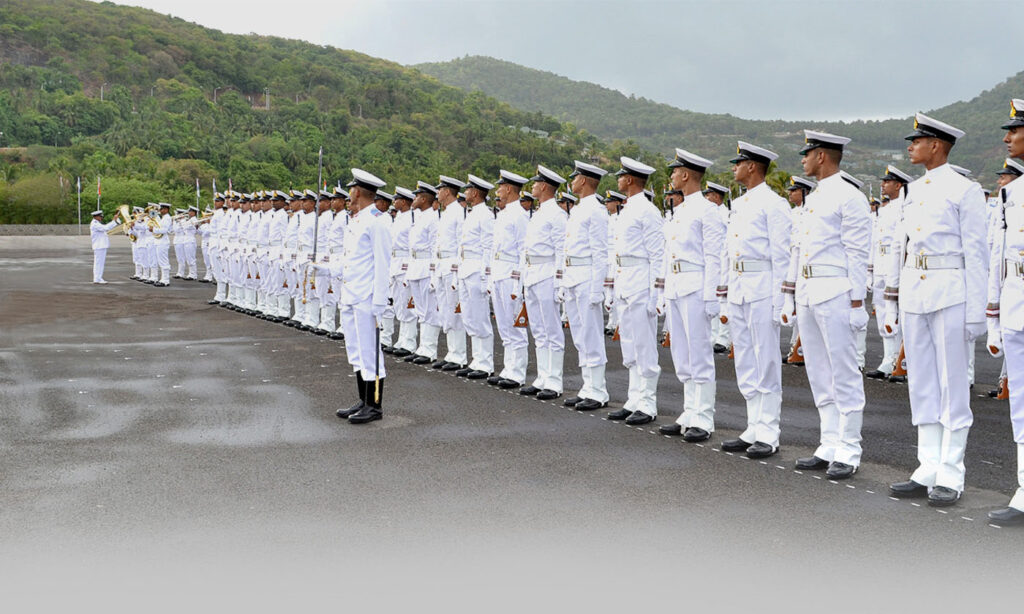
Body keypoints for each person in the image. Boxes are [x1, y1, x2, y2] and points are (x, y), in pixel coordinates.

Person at [884, 113, 987, 506]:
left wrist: (977, 312)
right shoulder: (913, 191)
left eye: (918, 140)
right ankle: (927, 465)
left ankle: (951, 472)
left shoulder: (965, 190)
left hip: (950, 290)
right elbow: (904, 248)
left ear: (937, 145)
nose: (911, 146)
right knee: (922, 380)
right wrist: (894, 298)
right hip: (916, 290)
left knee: (952, 384)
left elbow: (976, 254)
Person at [780, 130, 872, 479]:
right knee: (818, 371)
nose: (803, 158)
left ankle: (849, 448)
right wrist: (791, 295)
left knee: (844, 371)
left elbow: (857, 253)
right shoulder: (814, 198)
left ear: (822, 156)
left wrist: (856, 302)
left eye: (808, 153)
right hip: (808, 289)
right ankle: (829, 441)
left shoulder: (849, 197)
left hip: (835, 290)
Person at [719, 142, 791, 459]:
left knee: (766, 359)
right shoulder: (741, 204)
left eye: (739, 162)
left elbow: (782, 255)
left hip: (763, 286)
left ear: (752, 166)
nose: (734, 167)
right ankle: (752, 426)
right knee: (746, 358)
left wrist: (780, 300)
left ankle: (769, 431)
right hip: (739, 286)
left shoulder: (773, 205)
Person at [656, 149, 725, 440]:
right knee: (681, 353)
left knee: (699, 353)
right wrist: (662, 290)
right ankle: (689, 410)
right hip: (675, 284)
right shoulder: (680, 210)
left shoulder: (707, 210)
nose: (671, 175)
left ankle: (704, 417)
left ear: (686, 175)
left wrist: (711, 297)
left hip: (696, 285)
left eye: (674, 171)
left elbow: (714, 257)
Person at [985, 98, 1024, 525]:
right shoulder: (1012, 192)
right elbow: (999, 255)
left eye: (1015, 130)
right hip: (1016, 301)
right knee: (1022, 405)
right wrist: (994, 314)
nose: (1007, 137)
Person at [606, 156, 664, 425]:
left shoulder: (647, 211)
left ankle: (648, 403)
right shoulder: (627, 209)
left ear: (629, 180)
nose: (618, 179)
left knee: (644, 344)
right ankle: (633, 399)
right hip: (625, 280)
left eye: (621, 175)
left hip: (641, 280)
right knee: (629, 343)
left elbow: (657, 255)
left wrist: (655, 294)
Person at [333, 168, 392, 424]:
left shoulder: (377, 220)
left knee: (370, 351)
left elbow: (382, 263)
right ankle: (363, 399)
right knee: (356, 349)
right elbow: (352, 261)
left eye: (350, 190)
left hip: (367, 297)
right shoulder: (357, 220)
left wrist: (380, 300)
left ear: (357, 192)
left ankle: (375, 405)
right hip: (351, 294)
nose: (349, 194)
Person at [560, 161, 611, 410]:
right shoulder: (579, 209)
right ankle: (586, 386)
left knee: (591, 335)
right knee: (580, 335)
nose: (572, 180)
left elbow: (601, 253)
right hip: (573, 276)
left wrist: (596, 289)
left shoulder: (596, 211)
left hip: (587, 276)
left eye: (575, 176)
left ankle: (598, 390)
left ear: (584, 180)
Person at [519, 165, 568, 400]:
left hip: (547, 272)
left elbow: (561, 249)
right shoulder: (538, 212)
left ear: (546, 186)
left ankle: (555, 380)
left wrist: (560, 282)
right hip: (532, 272)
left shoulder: (557, 215)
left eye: (536, 183)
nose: (533, 186)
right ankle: (542, 377)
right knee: (538, 329)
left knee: (551, 328)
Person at [865, 165, 912, 380]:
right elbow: (875, 242)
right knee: (883, 314)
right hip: (881, 268)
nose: (883, 185)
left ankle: (902, 361)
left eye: (887, 181)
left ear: (899, 184)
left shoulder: (906, 207)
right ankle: (888, 358)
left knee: (899, 315)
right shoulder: (883, 211)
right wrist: (871, 270)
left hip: (897, 268)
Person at [488, 170, 531, 389]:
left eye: (500, 187)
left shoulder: (520, 215)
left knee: (515, 325)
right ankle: (508, 367)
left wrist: (518, 281)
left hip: (510, 273)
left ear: (509, 189)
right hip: (498, 271)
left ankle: (517, 372)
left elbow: (524, 250)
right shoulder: (504, 213)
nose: (498, 191)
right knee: (504, 324)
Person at [456, 175, 497, 379]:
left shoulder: (486, 216)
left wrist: (485, 276)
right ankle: (476, 359)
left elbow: (488, 247)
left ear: (475, 192)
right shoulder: (472, 213)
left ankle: (485, 362)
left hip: (477, 270)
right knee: (470, 316)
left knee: (480, 318)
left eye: (468, 189)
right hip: (466, 268)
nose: (466, 192)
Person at [432, 176, 469, 371]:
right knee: (446, 311)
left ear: (447, 191)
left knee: (455, 312)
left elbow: (460, 243)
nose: (437, 193)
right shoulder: (446, 213)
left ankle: (459, 355)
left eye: (440, 190)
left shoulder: (459, 212)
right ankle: (451, 352)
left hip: (451, 266)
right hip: (441, 264)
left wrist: (456, 269)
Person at [404, 181, 443, 364]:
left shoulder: (433, 218)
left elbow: (435, 246)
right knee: (421, 310)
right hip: (415, 265)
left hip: (426, 265)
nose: (414, 199)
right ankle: (422, 347)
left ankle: (429, 349)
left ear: (425, 199)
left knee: (429, 310)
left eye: (417, 196)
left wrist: (434, 272)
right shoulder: (419, 217)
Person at [783, 176, 815, 366]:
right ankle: (795, 346)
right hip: (792, 259)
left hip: (807, 263)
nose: (790, 193)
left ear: (804, 192)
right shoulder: (791, 213)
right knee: (795, 306)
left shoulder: (812, 211)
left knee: (804, 306)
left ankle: (802, 349)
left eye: (794, 190)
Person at [386, 187, 418, 356]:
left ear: (404, 201)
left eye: (397, 199)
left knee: (408, 304)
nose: (394, 201)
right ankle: (402, 339)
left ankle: (410, 341)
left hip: (405, 262)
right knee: (398, 303)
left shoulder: (413, 217)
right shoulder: (398, 217)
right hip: (395, 262)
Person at [704, 182, 733, 354]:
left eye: (709, 195)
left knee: (724, 302)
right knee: (714, 299)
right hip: (714, 260)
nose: (707, 198)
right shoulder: (711, 213)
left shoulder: (726, 214)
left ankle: (724, 338)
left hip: (724, 261)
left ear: (716, 196)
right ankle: (715, 336)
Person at [89, 208, 122, 284]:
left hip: (100, 246)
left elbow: (105, 227)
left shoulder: (97, 223)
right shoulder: (95, 224)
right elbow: (106, 228)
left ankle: (98, 278)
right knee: (99, 263)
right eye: (100, 216)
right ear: (96, 216)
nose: (101, 218)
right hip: (99, 246)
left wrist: (115, 221)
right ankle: (97, 278)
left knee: (99, 263)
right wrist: (114, 221)